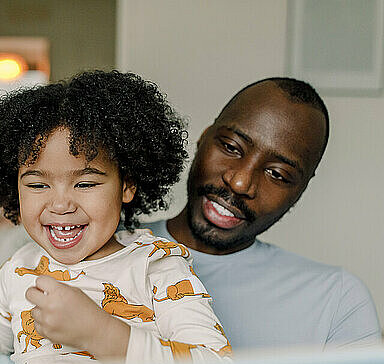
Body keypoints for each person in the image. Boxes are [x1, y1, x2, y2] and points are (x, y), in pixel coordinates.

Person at [0, 71, 231, 364]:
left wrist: (98, 332)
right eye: (37, 185)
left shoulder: (156, 266)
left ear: (127, 186)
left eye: (85, 184)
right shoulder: (18, 269)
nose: (60, 205)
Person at [145, 77, 381, 350]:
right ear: (204, 137)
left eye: (277, 174)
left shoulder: (337, 299)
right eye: (231, 147)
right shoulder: (99, 246)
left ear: (301, 190)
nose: (240, 182)